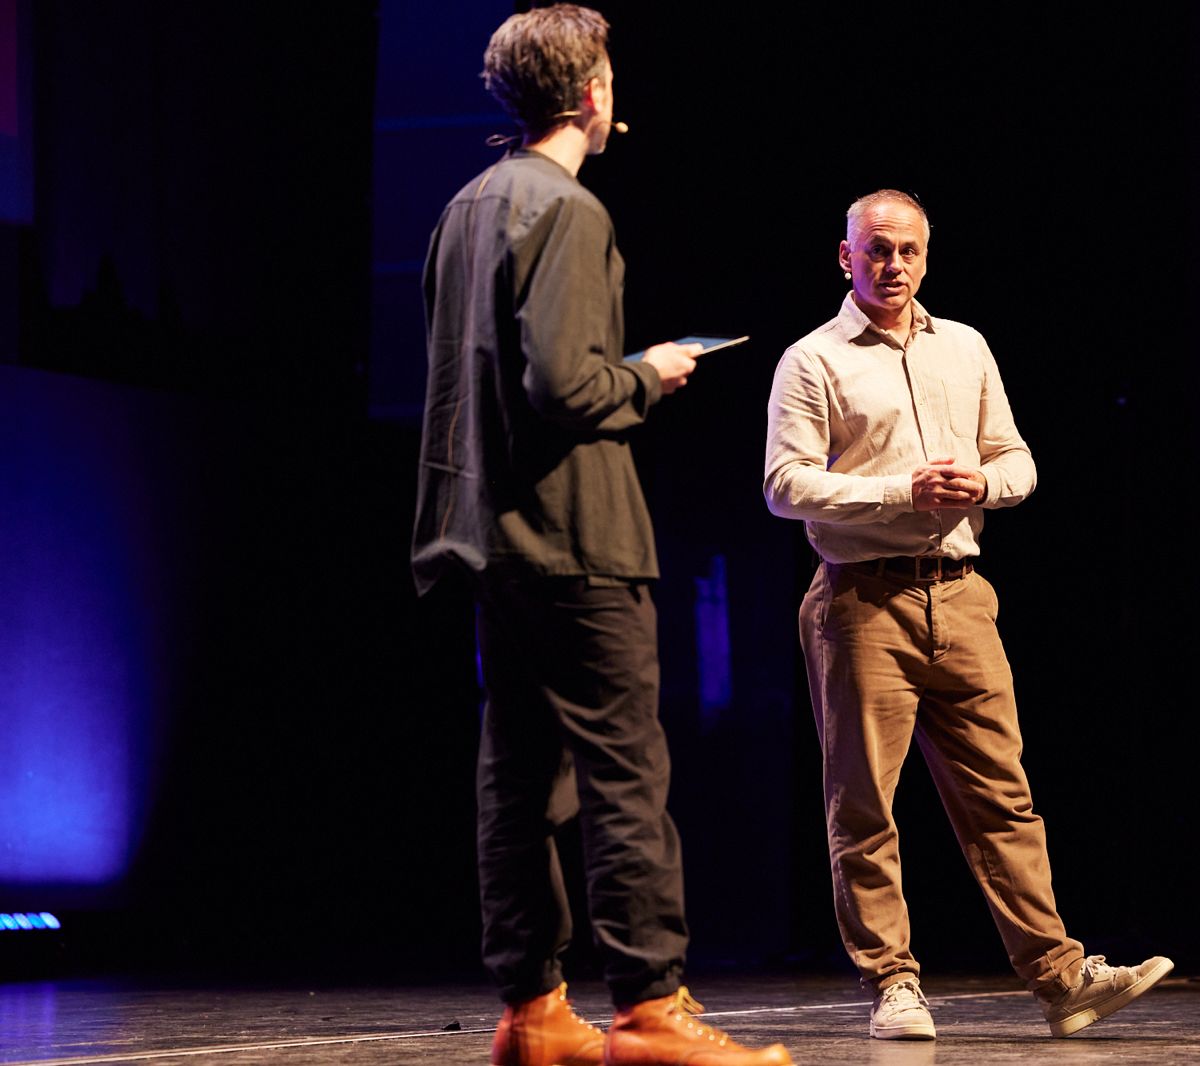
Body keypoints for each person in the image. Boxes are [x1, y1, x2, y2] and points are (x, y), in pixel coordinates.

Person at [411, 7, 790, 1065]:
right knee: (626, 773)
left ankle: (532, 1010)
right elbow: (565, 387)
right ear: (592, 94)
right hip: (577, 537)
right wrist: (650, 373)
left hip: (491, 537)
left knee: (517, 776)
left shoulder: (464, 208)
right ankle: (650, 1009)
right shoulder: (566, 209)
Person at [763, 189, 1173, 1041]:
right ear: (846, 256)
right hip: (862, 599)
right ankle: (893, 984)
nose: (894, 265)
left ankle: (1062, 980)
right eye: (877, 249)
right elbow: (785, 485)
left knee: (1004, 798)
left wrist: (983, 482)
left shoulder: (966, 345)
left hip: (961, 593)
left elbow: (1016, 460)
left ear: (927, 255)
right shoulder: (813, 359)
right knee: (864, 806)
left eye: (908, 250)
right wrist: (898, 490)